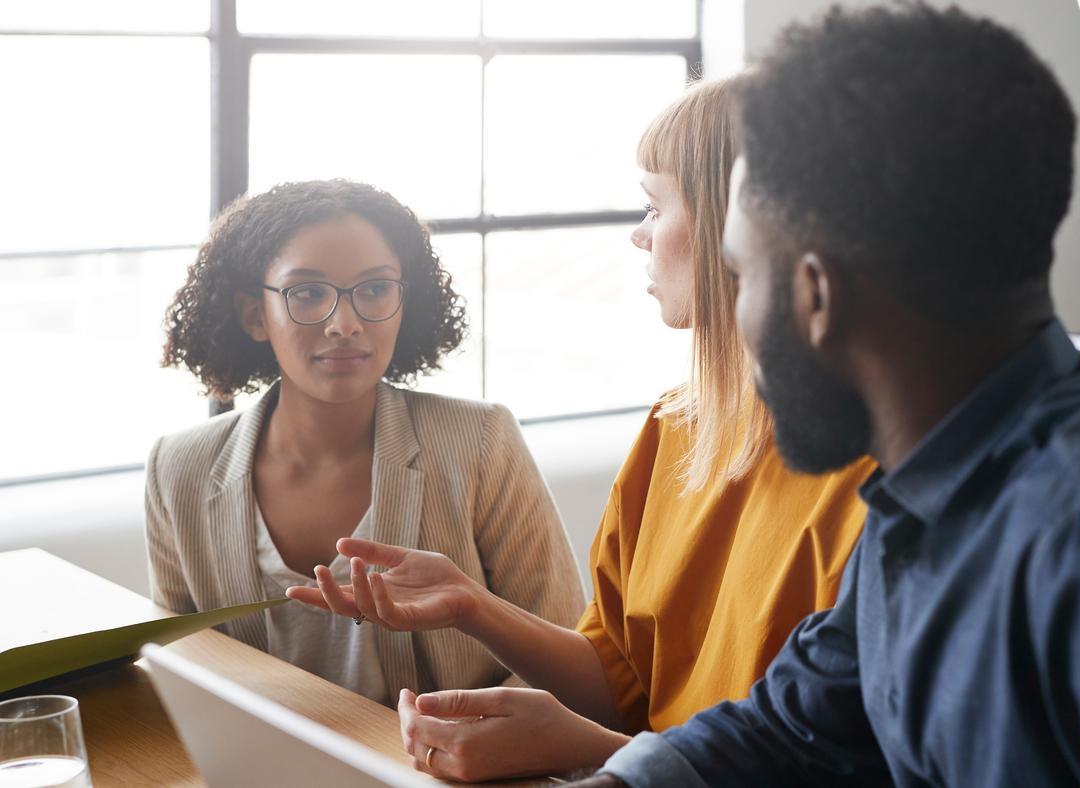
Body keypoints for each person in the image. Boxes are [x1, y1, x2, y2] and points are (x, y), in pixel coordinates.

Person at [582, 4, 1080, 786]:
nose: (736, 313)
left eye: (743, 273)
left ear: (817, 297)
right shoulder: (922, 506)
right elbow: (792, 728)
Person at [289, 79, 877, 780]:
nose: (639, 234)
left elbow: (843, 767)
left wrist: (583, 748)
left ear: (739, 227)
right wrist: (472, 606)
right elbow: (619, 683)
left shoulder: (881, 480)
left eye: (655, 206)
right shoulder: (676, 428)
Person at [146, 179, 584, 704]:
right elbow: (178, 674)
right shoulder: (179, 468)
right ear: (253, 316)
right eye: (307, 293)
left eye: (375, 289)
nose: (345, 325)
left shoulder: (481, 443)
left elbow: (567, 652)